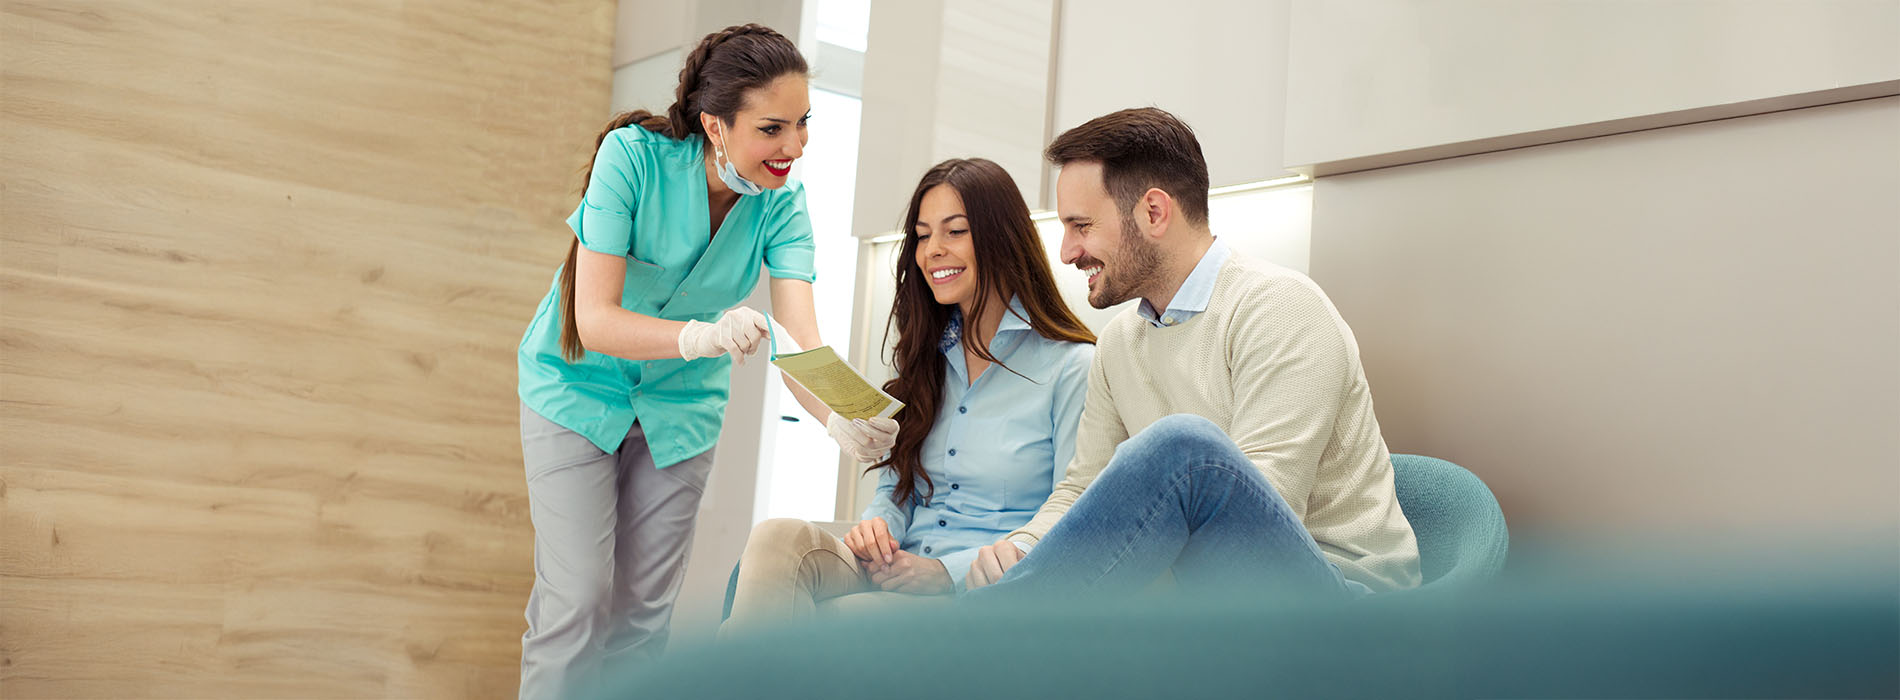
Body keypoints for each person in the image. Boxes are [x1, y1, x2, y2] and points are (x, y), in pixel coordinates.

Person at [512, 24, 898, 699]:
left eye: (803, 124)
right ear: (716, 125)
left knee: (641, 619)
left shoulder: (783, 206)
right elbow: (593, 318)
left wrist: (842, 418)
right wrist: (698, 337)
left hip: (679, 415)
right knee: (575, 599)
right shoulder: (630, 159)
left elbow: (801, 338)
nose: (795, 147)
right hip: (574, 391)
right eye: (772, 128)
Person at [961, 108, 1421, 601]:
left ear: (1154, 212)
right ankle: (997, 630)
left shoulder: (1280, 307)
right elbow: (1080, 490)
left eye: (1081, 225)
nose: (1067, 251)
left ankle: (990, 635)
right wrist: (1023, 548)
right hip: (1212, 610)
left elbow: (1257, 511)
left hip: (1342, 600)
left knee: (1186, 449)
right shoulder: (1118, 343)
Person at [721, 158, 1096, 632]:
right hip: (894, 570)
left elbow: (1072, 523)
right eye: (922, 235)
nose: (932, 250)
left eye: (954, 231)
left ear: (1001, 235)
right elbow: (898, 491)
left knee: (839, 622)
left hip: (983, 596)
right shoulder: (926, 357)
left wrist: (944, 575)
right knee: (775, 538)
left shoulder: (1071, 368)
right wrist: (878, 527)